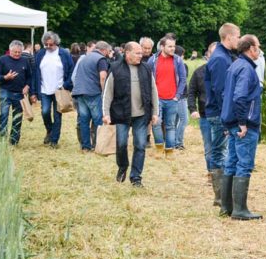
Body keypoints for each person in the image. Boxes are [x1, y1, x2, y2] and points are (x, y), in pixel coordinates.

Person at [103, 42, 159, 188]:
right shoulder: (115, 68)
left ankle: (136, 177)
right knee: (121, 144)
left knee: (140, 145)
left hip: (141, 115)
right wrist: (106, 113)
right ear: (127, 53)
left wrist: (155, 112)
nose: (141, 55)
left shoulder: (146, 68)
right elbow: (107, 93)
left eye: (141, 53)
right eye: (138, 53)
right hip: (121, 114)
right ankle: (122, 166)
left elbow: (154, 91)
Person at [220, 35, 264, 220]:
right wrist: (243, 123)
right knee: (244, 164)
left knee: (231, 162)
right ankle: (240, 210)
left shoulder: (236, 65)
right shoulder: (246, 68)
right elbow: (239, 97)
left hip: (231, 121)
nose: (260, 51)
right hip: (243, 124)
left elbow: (226, 94)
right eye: (258, 47)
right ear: (251, 48)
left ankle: (226, 206)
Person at [206, 23, 240, 212]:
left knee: (222, 153)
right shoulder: (220, 59)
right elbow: (220, 91)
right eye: (237, 36)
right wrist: (226, 116)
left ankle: (223, 196)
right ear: (228, 37)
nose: (239, 40)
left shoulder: (225, 56)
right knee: (219, 154)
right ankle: (220, 197)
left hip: (220, 113)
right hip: (219, 114)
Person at [30, 31, 74, 149]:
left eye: (51, 44)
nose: (48, 47)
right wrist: (33, 92)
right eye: (46, 44)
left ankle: (54, 140)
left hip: (59, 89)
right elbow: (35, 73)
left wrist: (66, 84)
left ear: (56, 43)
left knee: (57, 115)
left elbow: (71, 71)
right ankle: (49, 131)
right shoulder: (40, 54)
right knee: (45, 112)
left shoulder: (64, 53)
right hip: (44, 89)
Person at [147, 36, 187, 159]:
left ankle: (169, 150)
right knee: (156, 123)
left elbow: (183, 79)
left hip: (172, 99)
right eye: (170, 46)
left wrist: (178, 95)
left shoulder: (178, 61)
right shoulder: (152, 60)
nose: (172, 48)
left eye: (174, 46)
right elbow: (147, 79)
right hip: (157, 98)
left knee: (170, 126)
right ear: (162, 47)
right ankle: (159, 147)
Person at [72, 41, 112, 152]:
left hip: (80, 92)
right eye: (108, 51)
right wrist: (104, 93)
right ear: (103, 50)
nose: (108, 54)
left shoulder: (84, 58)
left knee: (84, 120)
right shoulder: (101, 59)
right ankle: (98, 145)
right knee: (98, 119)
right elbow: (103, 77)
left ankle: (85, 147)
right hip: (93, 92)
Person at [188, 42, 217, 182]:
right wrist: (193, 109)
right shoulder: (199, 72)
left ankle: (222, 175)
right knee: (209, 147)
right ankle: (212, 174)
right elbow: (191, 92)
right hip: (206, 116)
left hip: (223, 116)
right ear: (207, 56)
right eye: (213, 54)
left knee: (223, 148)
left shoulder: (229, 70)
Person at [0, 40, 31, 145]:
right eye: (15, 52)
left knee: (18, 117)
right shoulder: (3, 60)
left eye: (19, 52)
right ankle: (1, 139)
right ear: (10, 50)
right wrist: (6, 77)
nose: (17, 54)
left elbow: (29, 77)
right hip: (5, 91)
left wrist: (27, 86)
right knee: (4, 116)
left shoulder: (25, 60)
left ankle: (14, 141)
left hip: (20, 94)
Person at [174, 45, 189, 150]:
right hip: (181, 96)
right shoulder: (182, 65)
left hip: (172, 96)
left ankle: (172, 140)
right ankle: (178, 142)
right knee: (184, 119)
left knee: (175, 120)